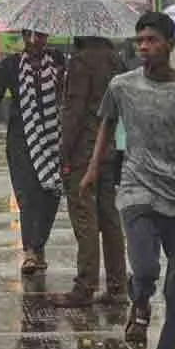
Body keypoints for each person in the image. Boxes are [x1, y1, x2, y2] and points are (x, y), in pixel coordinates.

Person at [81, 12, 175, 349]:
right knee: (145, 268)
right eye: (140, 40)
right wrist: (94, 168)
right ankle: (139, 306)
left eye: (152, 40)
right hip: (137, 190)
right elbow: (106, 123)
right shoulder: (122, 86)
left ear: (169, 45)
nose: (144, 47)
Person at [0, 29, 65, 273]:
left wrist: (62, 79)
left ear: (47, 37)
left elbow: (68, 98)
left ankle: (39, 246)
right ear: (22, 36)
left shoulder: (60, 62)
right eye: (28, 35)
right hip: (21, 139)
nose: (33, 41)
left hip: (54, 140)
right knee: (27, 193)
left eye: (39, 35)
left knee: (50, 194)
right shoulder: (11, 65)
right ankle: (30, 250)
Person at [52, 37, 129, 308]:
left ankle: (85, 286)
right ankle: (118, 284)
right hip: (108, 148)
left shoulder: (81, 62)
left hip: (83, 151)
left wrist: (64, 150)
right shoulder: (115, 59)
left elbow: (75, 110)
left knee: (84, 217)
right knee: (109, 217)